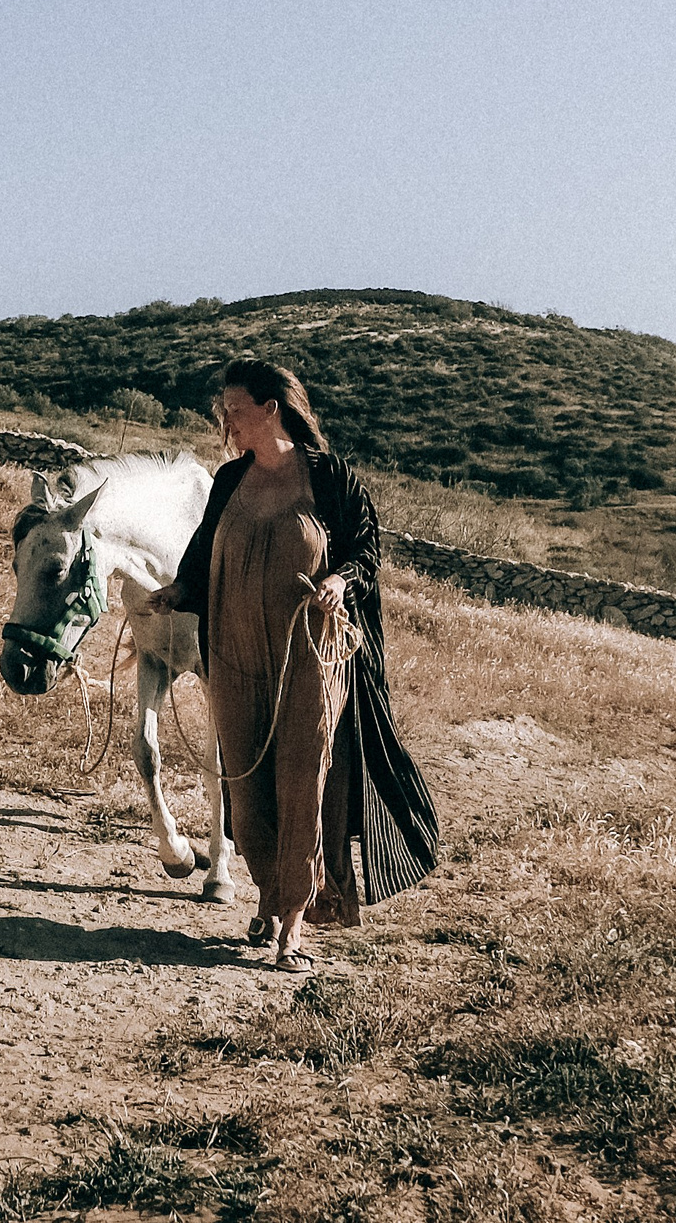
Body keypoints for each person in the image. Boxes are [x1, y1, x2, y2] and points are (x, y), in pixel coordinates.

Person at [147, 359, 439, 969]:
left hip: (311, 656)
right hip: (233, 653)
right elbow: (203, 554)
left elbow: (366, 547)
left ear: (271, 407)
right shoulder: (229, 480)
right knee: (247, 788)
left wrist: (340, 578)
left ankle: (293, 924)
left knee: (303, 778)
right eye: (222, 410)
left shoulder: (331, 478)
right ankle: (267, 892)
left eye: (234, 408)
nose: (225, 420)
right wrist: (176, 592)